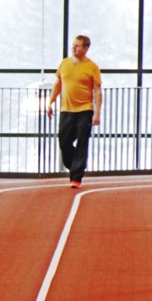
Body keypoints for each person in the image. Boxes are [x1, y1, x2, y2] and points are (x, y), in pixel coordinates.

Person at [46, 35, 102, 188]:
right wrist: (50, 103)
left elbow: (97, 90)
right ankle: (76, 165)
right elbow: (58, 84)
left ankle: (76, 177)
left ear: (85, 48)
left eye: (77, 46)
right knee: (63, 140)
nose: (73, 48)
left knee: (82, 142)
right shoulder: (64, 64)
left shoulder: (92, 67)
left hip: (85, 110)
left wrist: (97, 112)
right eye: (73, 45)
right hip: (66, 110)